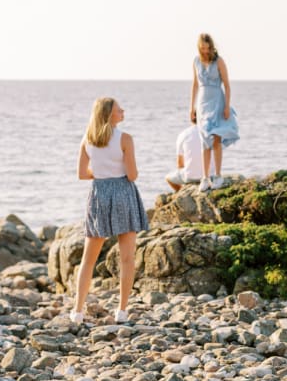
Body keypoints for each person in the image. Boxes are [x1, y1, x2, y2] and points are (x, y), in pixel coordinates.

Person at [70, 97, 149, 325]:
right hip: (123, 192)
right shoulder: (125, 139)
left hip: (98, 194)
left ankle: (77, 311)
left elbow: (82, 174)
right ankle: (122, 311)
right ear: (108, 114)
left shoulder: (88, 139)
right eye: (118, 109)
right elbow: (133, 175)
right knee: (126, 258)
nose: (122, 111)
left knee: (88, 259)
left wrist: (102, 173)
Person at [190, 33, 239, 191]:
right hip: (202, 103)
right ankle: (205, 178)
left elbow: (227, 85)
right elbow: (195, 85)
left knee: (216, 140)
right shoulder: (196, 61)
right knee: (205, 141)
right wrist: (192, 108)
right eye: (202, 48)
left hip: (217, 101)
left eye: (207, 48)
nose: (205, 51)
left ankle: (217, 175)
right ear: (199, 47)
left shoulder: (219, 61)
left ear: (211, 47)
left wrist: (226, 106)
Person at [165, 123, 206, 191]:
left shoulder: (184, 134)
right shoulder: (209, 132)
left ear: (192, 116)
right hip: (209, 176)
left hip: (190, 177)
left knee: (168, 178)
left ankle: (182, 192)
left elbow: (180, 164)